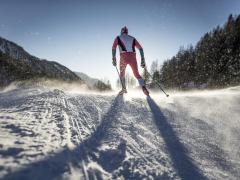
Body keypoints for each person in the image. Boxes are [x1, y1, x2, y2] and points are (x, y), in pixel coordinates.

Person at [112, 26, 149, 96]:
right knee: (136, 73)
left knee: (122, 73)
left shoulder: (118, 37)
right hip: (133, 57)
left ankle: (124, 88)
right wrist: (142, 60)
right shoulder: (133, 38)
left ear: (121, 31)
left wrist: (113, 58)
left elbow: (113, 48)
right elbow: (140, 49)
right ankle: (144, 88)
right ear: (127, 32)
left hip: (123, 57)